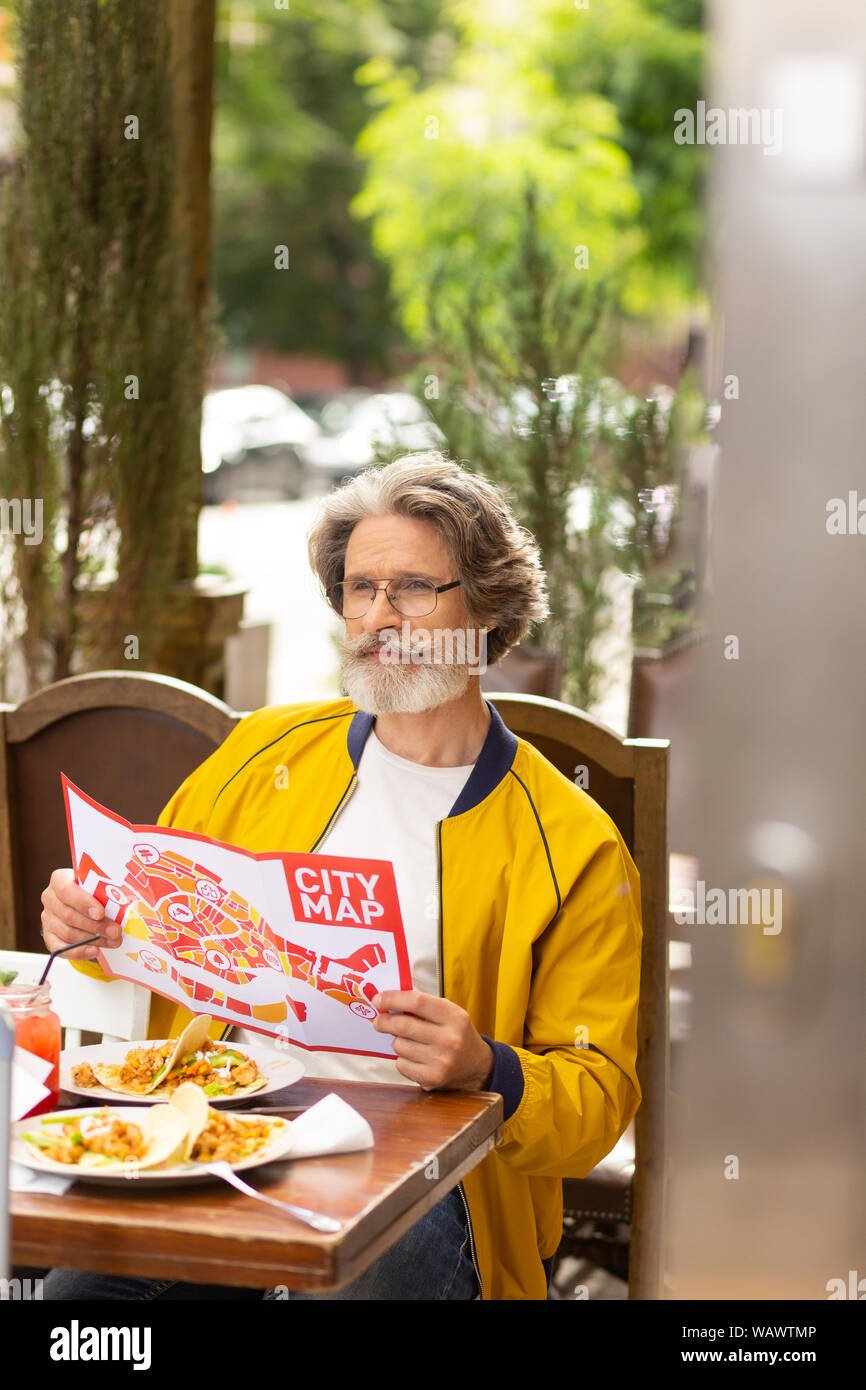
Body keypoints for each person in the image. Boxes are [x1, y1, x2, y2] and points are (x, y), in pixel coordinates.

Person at [38, 451, 643, 1301]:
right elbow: (152, 927)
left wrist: (488, 1066)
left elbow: (600, 1096)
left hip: (428, 1171)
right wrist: (92, 929)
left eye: (413, 589)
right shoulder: (262, 753)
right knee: (77, 1305)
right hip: (227, 1127)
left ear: (489, 608)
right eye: (361, 589)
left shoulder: (572, 844)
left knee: (369, 1276)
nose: (378, 619)